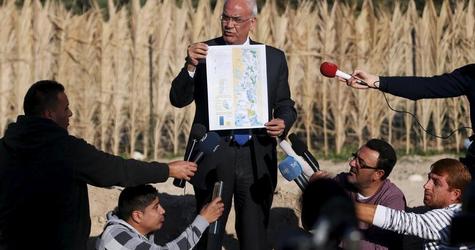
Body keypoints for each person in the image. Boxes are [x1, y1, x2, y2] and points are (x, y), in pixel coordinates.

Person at [0, 80, 197, 250]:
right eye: (65, 108)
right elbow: (117, 170)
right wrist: (167, 169)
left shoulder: (5, 147)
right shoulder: (66, 150)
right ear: (49, 114)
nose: (70, 114)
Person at [169, 0, 296, 249]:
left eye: (236, 20)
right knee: (208, 235)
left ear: (252, 22)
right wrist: (190, 66)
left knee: (254, 234)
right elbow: (178, 99)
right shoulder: (205, 52)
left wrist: (283, 122)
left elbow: (285, 104)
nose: (229, 25)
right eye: (225, 18)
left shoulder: (272, 58)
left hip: (255, 155)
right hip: (214, 154)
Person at [310, 139, 406, 249]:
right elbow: (311, 224)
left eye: (361, 163)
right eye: (354, 157)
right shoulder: (342, 182)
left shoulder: (393, 199)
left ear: (378, 174)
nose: (352, 163)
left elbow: (382, 248)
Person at [355, 158, 472, 249]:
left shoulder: (447, 218)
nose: (426, 186)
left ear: (455, 194)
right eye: (429, 179)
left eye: (436, 182)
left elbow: (397, 220)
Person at [96, 184, 224, 250]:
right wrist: (203, 220)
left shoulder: (133, 230)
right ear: (138, 216)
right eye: (156, 207)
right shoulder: (116, 236)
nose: (163, 210)